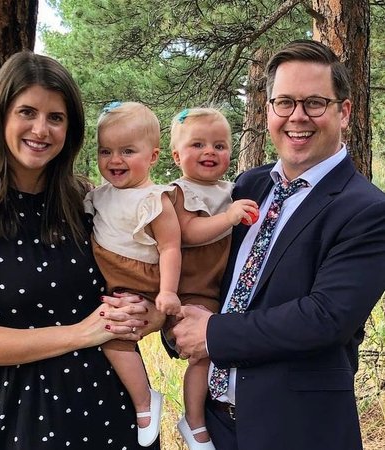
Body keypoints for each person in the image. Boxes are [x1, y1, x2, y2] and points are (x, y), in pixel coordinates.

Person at [0, 51, 163, 450]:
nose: (41, 129)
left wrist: (148, 314)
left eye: (55, 117)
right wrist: (80, 333)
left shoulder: (88, 200)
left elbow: (142, 276)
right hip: (16, 413)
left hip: (108, 406)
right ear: (0, 116)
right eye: (27, 112)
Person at [171, 39, 385, 450]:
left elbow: (325, 317)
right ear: (268, 110)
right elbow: (206, 268)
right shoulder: (247, 186)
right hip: (215, 426)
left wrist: (213, 333)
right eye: (284, 102)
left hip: (297, 430)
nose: (297, 117)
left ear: (344, 112)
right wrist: (174, 317)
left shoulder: (367, 210)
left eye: (315, 103)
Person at [84, 101, 182, 446]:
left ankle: (144, 402)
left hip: (140, 280)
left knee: (114, 337)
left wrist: (167, 292)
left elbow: (170, 248)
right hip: (114, 278)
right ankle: (143, 400)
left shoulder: (154, 200)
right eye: (105, 151)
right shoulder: (98, 196)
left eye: (127, 151)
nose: (115, 160)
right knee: (112, 336)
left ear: (153, 156)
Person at [168, 107, 258, 450]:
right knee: (203, 354)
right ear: (177, 156)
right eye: (198, 145)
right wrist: (229, 218)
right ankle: (193, 421)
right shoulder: (178, 193)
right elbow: (188, 232)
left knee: (221, 349)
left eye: (219, 146)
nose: (210, 151)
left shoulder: (230, 189)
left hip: (218, 288)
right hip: (190, 289)